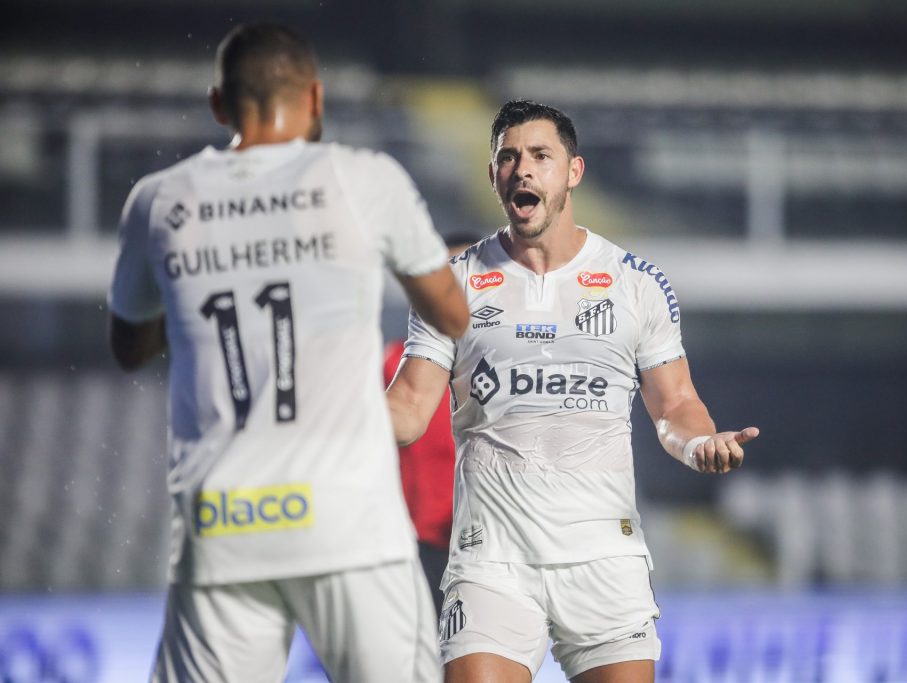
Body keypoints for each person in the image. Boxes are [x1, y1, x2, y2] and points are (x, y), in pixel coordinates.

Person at [107, 22, 468, 683]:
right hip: (348, 518)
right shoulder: (364, 180)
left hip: (223, 521)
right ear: (317, 98)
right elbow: (451, 311)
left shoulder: (159, 201)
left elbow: (129, 346)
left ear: (219, 104)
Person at [385, 99, 759, 683]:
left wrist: (700, 443)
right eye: (508, 158)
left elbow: (676, 404)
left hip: (604, 560)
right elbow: (407, 409)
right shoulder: (452, 285)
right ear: (492, 177)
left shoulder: (634, 283)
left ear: (573, 172)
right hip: (493, 559)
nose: (522, 169)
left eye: (540, 155)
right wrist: (323, 414)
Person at [383, 233, 480, 619]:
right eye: (443, 278)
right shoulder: (393, 366)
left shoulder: (519, 367)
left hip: (489, 546)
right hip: (410, 548)